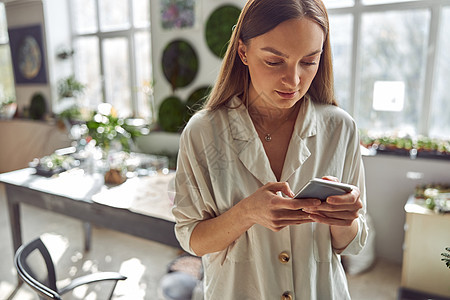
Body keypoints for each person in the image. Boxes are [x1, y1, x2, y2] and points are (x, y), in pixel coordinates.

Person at [172, 0, 368, 299]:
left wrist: (345, 220)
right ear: (243, 52)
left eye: (309, 61)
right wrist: (246, 213)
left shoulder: (341, 129)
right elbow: (193, 240)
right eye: (274, 61)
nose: (293, 80)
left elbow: (352, 245)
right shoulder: (203, 132)